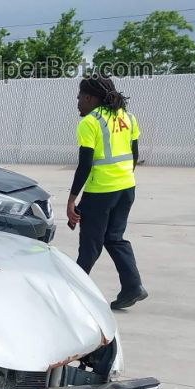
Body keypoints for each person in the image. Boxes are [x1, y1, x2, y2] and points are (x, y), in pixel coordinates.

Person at [66, 74, 147, 310]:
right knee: (114, 238)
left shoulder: (89, 122)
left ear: (90, 98)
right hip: (126, 188)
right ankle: (133, 286)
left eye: (80, 97)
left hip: (101, 191)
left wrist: (72, 200)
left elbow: (85, 165)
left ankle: (74, 295)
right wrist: (123, 179)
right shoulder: (128, 117)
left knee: (90, 244)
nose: (78, 102)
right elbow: (133, 155)